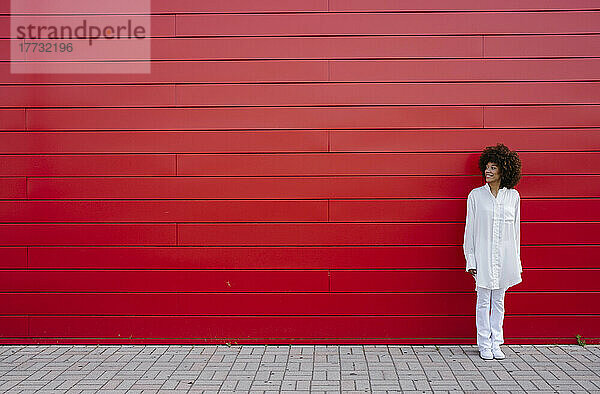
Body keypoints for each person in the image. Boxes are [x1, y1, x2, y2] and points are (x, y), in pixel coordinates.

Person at [463, 143, 523, 360]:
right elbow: (470, 229)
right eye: (486, 167)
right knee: (483, 300)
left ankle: (497, 342)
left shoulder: (513, 197)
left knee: (499, 300)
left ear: (503, 170)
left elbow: (515, 232)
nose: (488, 171)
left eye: (493, 167)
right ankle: (483, 344)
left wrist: (516, 260)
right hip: (483, 257)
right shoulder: (476, 196)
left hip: (505, 257)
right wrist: (471, 259)